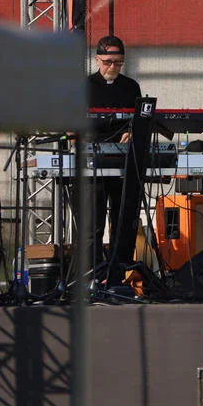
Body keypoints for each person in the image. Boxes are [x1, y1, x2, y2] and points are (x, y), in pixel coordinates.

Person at [84, 35, 143, 284]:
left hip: (123, 160)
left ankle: (118, 277)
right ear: (97, 59)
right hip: (92, 161)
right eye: (108, 62)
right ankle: (92, 277)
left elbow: (139, 120)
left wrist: (132, 132)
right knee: (92, 224)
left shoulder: (131, 87)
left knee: (123, 222)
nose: (113, 67)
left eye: (118, 62)